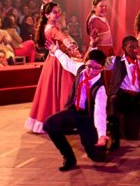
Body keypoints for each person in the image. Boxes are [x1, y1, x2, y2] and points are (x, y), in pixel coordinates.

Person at [43, 44, 109, 172]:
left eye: (96, 68)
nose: (91, 71)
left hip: (88, 118)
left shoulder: (100, 89)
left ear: (102, 68)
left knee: (97, 157)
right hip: (74, 111)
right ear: (85, 63)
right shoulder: (80, 69)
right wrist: (55, 50)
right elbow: (66, 62)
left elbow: (99, 112)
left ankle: (107, 137)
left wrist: (101, 134)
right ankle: (69, 158)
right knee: (49, 124)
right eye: (89, 66)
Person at [25, 2, 81, 133]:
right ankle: (64, 121)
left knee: (52, 91)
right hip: (58, 62)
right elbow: (62, 37)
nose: (57, 14)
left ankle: (55, 120)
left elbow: (60, 34)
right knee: (66, 90)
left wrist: (45, 6)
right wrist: (69, 44)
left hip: (52, 60)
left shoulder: (47, 26)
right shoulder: (52, 29)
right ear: (47, 15)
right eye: (54, 12)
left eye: (58, 11)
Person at [106, 36, 140, 150]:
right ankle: (114, 138)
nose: (135, 50)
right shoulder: (116, 61)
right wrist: (93, 46)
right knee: (113, 101)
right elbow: (102, 64)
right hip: (121, 96)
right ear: (123, 48)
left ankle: (125, 127)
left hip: (135, 99)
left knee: (132, 135)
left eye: (136, 47)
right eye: (131, 47)